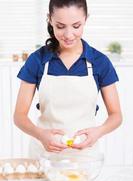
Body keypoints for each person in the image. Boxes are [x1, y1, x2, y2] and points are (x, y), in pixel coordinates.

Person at [14, 0, 122, 159]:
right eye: (60, 26)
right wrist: (41, 135)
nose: (69, 34)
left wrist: (98, 132)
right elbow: (19, 116)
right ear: (50, 19)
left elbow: (116, 115)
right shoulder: (37, 60)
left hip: (85, 158)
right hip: (44, 157)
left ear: (86, 18)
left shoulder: (100, 62)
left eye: (76, 26)